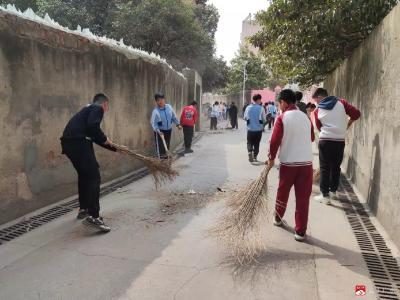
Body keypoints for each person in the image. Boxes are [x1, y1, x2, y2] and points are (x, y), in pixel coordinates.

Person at [60, 93, 118, 232]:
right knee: (94, 177)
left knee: (84, 176)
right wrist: (105, 139)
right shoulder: (97, 108)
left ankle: (84, 208)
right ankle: (94, 217)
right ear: (105, 104)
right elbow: (94, 128)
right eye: (107, 107)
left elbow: (93, 135)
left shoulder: (86, 110)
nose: (106, 110)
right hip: (79, 143)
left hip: (68, 144)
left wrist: (114, 148)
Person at [267, 89, 315, 242]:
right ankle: (300, 232)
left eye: (279, 103)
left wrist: (271, 158)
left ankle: (278, 218)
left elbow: (274, 141)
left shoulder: (282, 118)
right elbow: (312, 138)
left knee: (283, 192)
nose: (279, 106)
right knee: (303, 198)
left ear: (284, 102)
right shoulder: (306, 117)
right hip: (306, 164)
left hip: (288, 163)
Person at [312, 88, 360, 205]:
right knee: (336, 167)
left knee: (325, 168)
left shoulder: (318, 110)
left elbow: (319, 127)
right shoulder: (342, 102)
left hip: (325, 141)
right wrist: (348, 123)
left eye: (316, 100)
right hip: (339, 141)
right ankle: (333, 191)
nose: (316, 103)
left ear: (319, 97)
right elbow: (356, 114)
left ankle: (325, 196)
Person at [151, 93, 182, 158]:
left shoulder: (169, 107)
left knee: (167, 146)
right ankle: (161, 162)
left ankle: (166, 160)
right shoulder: (155, 111)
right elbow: (153, 123)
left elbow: (173, 116)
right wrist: (158, 131)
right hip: (160, 132)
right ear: (156, 101)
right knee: (161, 148)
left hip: (168, 130)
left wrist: (178, 124)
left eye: (162, 99)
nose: (160, 101)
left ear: (164, 99)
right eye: (158, 100)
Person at [244, 94, 266, 162]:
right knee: (257, 143)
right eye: (260, 99)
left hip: (250, 129)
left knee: (249, 142)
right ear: (258, 100)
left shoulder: (248, 107)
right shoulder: (261, 108)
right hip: (258, 129)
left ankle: (250, 152)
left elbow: (245, 117)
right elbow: (264, 119)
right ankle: (255, 156)